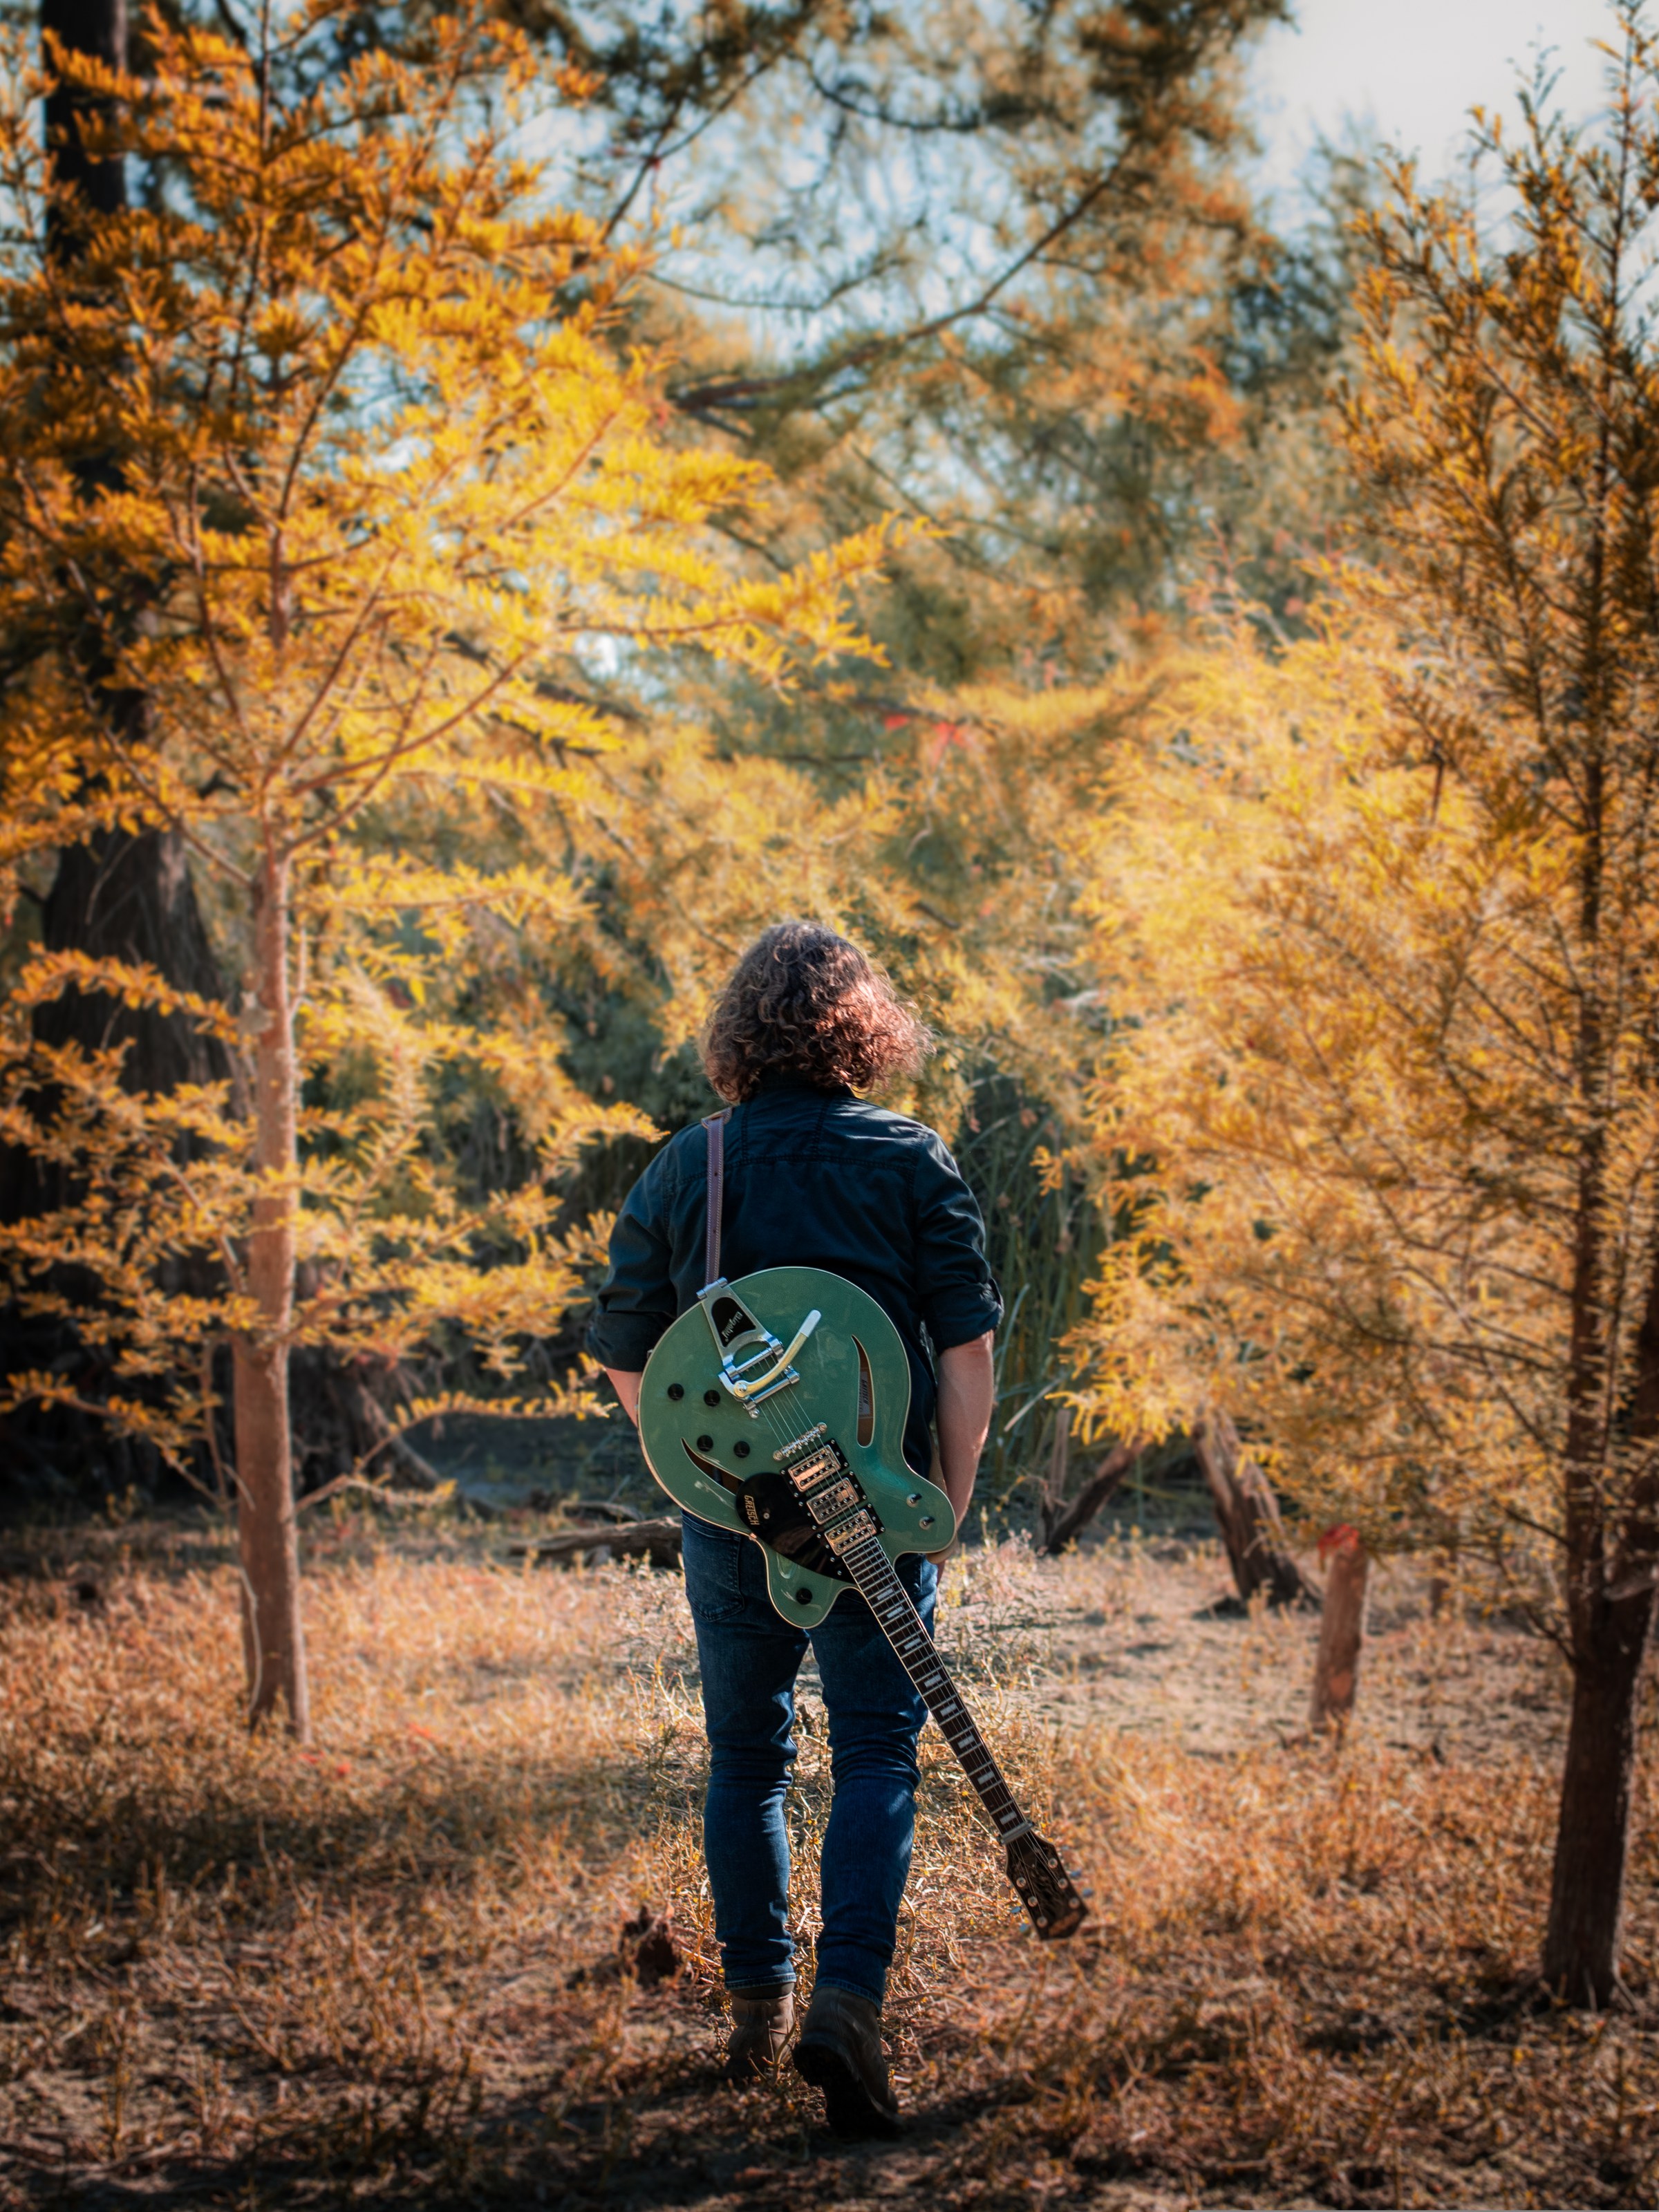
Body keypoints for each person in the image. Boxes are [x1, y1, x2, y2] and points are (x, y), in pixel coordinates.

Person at [589, 921, 1000, 2139]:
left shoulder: (688, 1167)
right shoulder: (911, 1158)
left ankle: (759, 2006)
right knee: (875, 1751)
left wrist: (711, 1477)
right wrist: (944, 1502)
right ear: (865, 1031)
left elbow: (626, 1353)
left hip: (738, 1518)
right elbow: (966, 1355)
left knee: (747, 1756)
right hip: (878, 1509)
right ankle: (849, 2004)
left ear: (737, 1035)